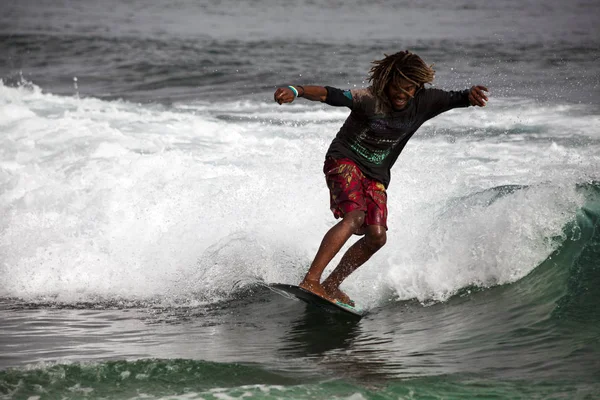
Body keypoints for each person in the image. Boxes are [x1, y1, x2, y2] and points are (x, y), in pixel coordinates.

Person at [273, 50, 488, 306]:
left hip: (376, 175)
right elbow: (329, 94)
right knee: (355, 218)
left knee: (377, 236)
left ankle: (331, 284)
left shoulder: (426, 101)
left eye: (408, 89)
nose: (400, 94)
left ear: (417, 86)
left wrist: (471, 96)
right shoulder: (370, 99)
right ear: (386, 83)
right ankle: (311, 280)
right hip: (344, 160)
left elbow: (459, 98)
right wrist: (296, 90)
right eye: (396, 88)